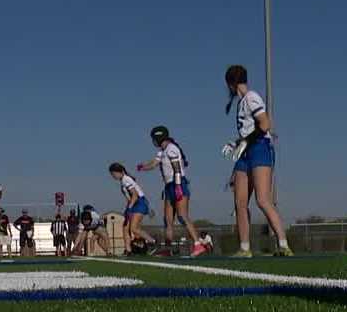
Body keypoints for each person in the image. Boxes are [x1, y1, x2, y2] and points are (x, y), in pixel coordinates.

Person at [221, 65, 293, 257]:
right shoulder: (241, 102)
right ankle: (244, 248)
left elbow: (265, 123)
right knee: (240, 202)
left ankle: (284, 244)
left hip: (260, 148)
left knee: (262, 200)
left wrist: (245, 141)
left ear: (231, 83)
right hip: (246, 152)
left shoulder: (252, 97)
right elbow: (248, 131)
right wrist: (236, 142)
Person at [137, 126, 208, 257]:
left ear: (158, 137)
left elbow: (177, 169)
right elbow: (154, 163)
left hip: (178, 183)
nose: (153, 141)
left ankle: (199, 244)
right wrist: (142, 167)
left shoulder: (172, 149)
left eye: (153, 139)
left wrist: (178, 186)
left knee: (182, 216)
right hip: (168, 186)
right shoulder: (162, 151)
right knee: (168, 220)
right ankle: (168, 249)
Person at [109, 163, 156, 256]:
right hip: (134, 204)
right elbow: (129, 198)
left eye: (114, 174)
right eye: (112, 174)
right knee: (125, 227)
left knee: (134, 228)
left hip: (139, 203)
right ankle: (128, 250)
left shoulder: (126, 180)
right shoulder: (123, 181)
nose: (113, 176)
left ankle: (153, 242)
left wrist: (130, 208)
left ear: (121, 172)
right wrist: (127, 208)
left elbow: (135, 195)